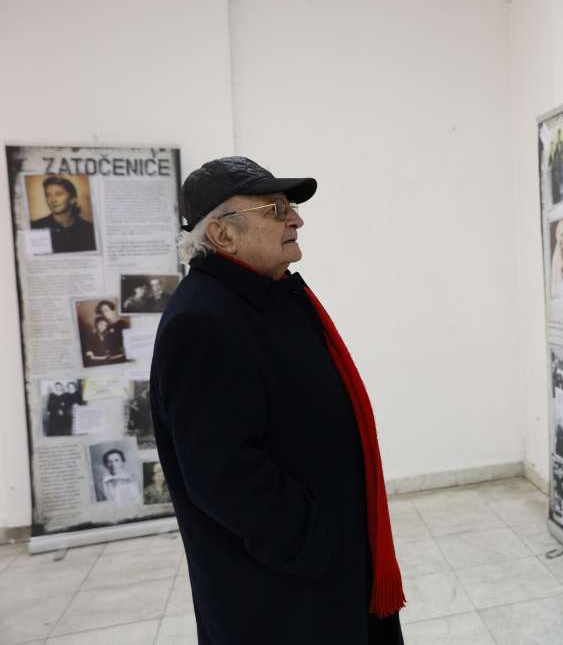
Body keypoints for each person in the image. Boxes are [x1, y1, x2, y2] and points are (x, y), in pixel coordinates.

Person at [149, 156, 404, 644]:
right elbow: (224, 476)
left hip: (322, 573)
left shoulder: (267, 296)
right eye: (276, 209)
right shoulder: (202, 322)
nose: (296, 219)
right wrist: (317, 544)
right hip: (281, 597)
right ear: (223, 235)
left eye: (290, 207)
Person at [29, 176, 97, 253]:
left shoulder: (89, 229)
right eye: (48, 195)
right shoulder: (35, 227)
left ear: (72, 199)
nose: (52, 200)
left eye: (58, 194)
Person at [550, 132, 563, 203]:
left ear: (561, 135)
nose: (559, 136)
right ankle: (560, 194)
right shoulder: (557, 144)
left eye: (560, 135)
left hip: (561, 164)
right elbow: (555, 153)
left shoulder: (562, 144)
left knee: (562, 179)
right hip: (558, 164)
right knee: (559, 179)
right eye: (558, 135)